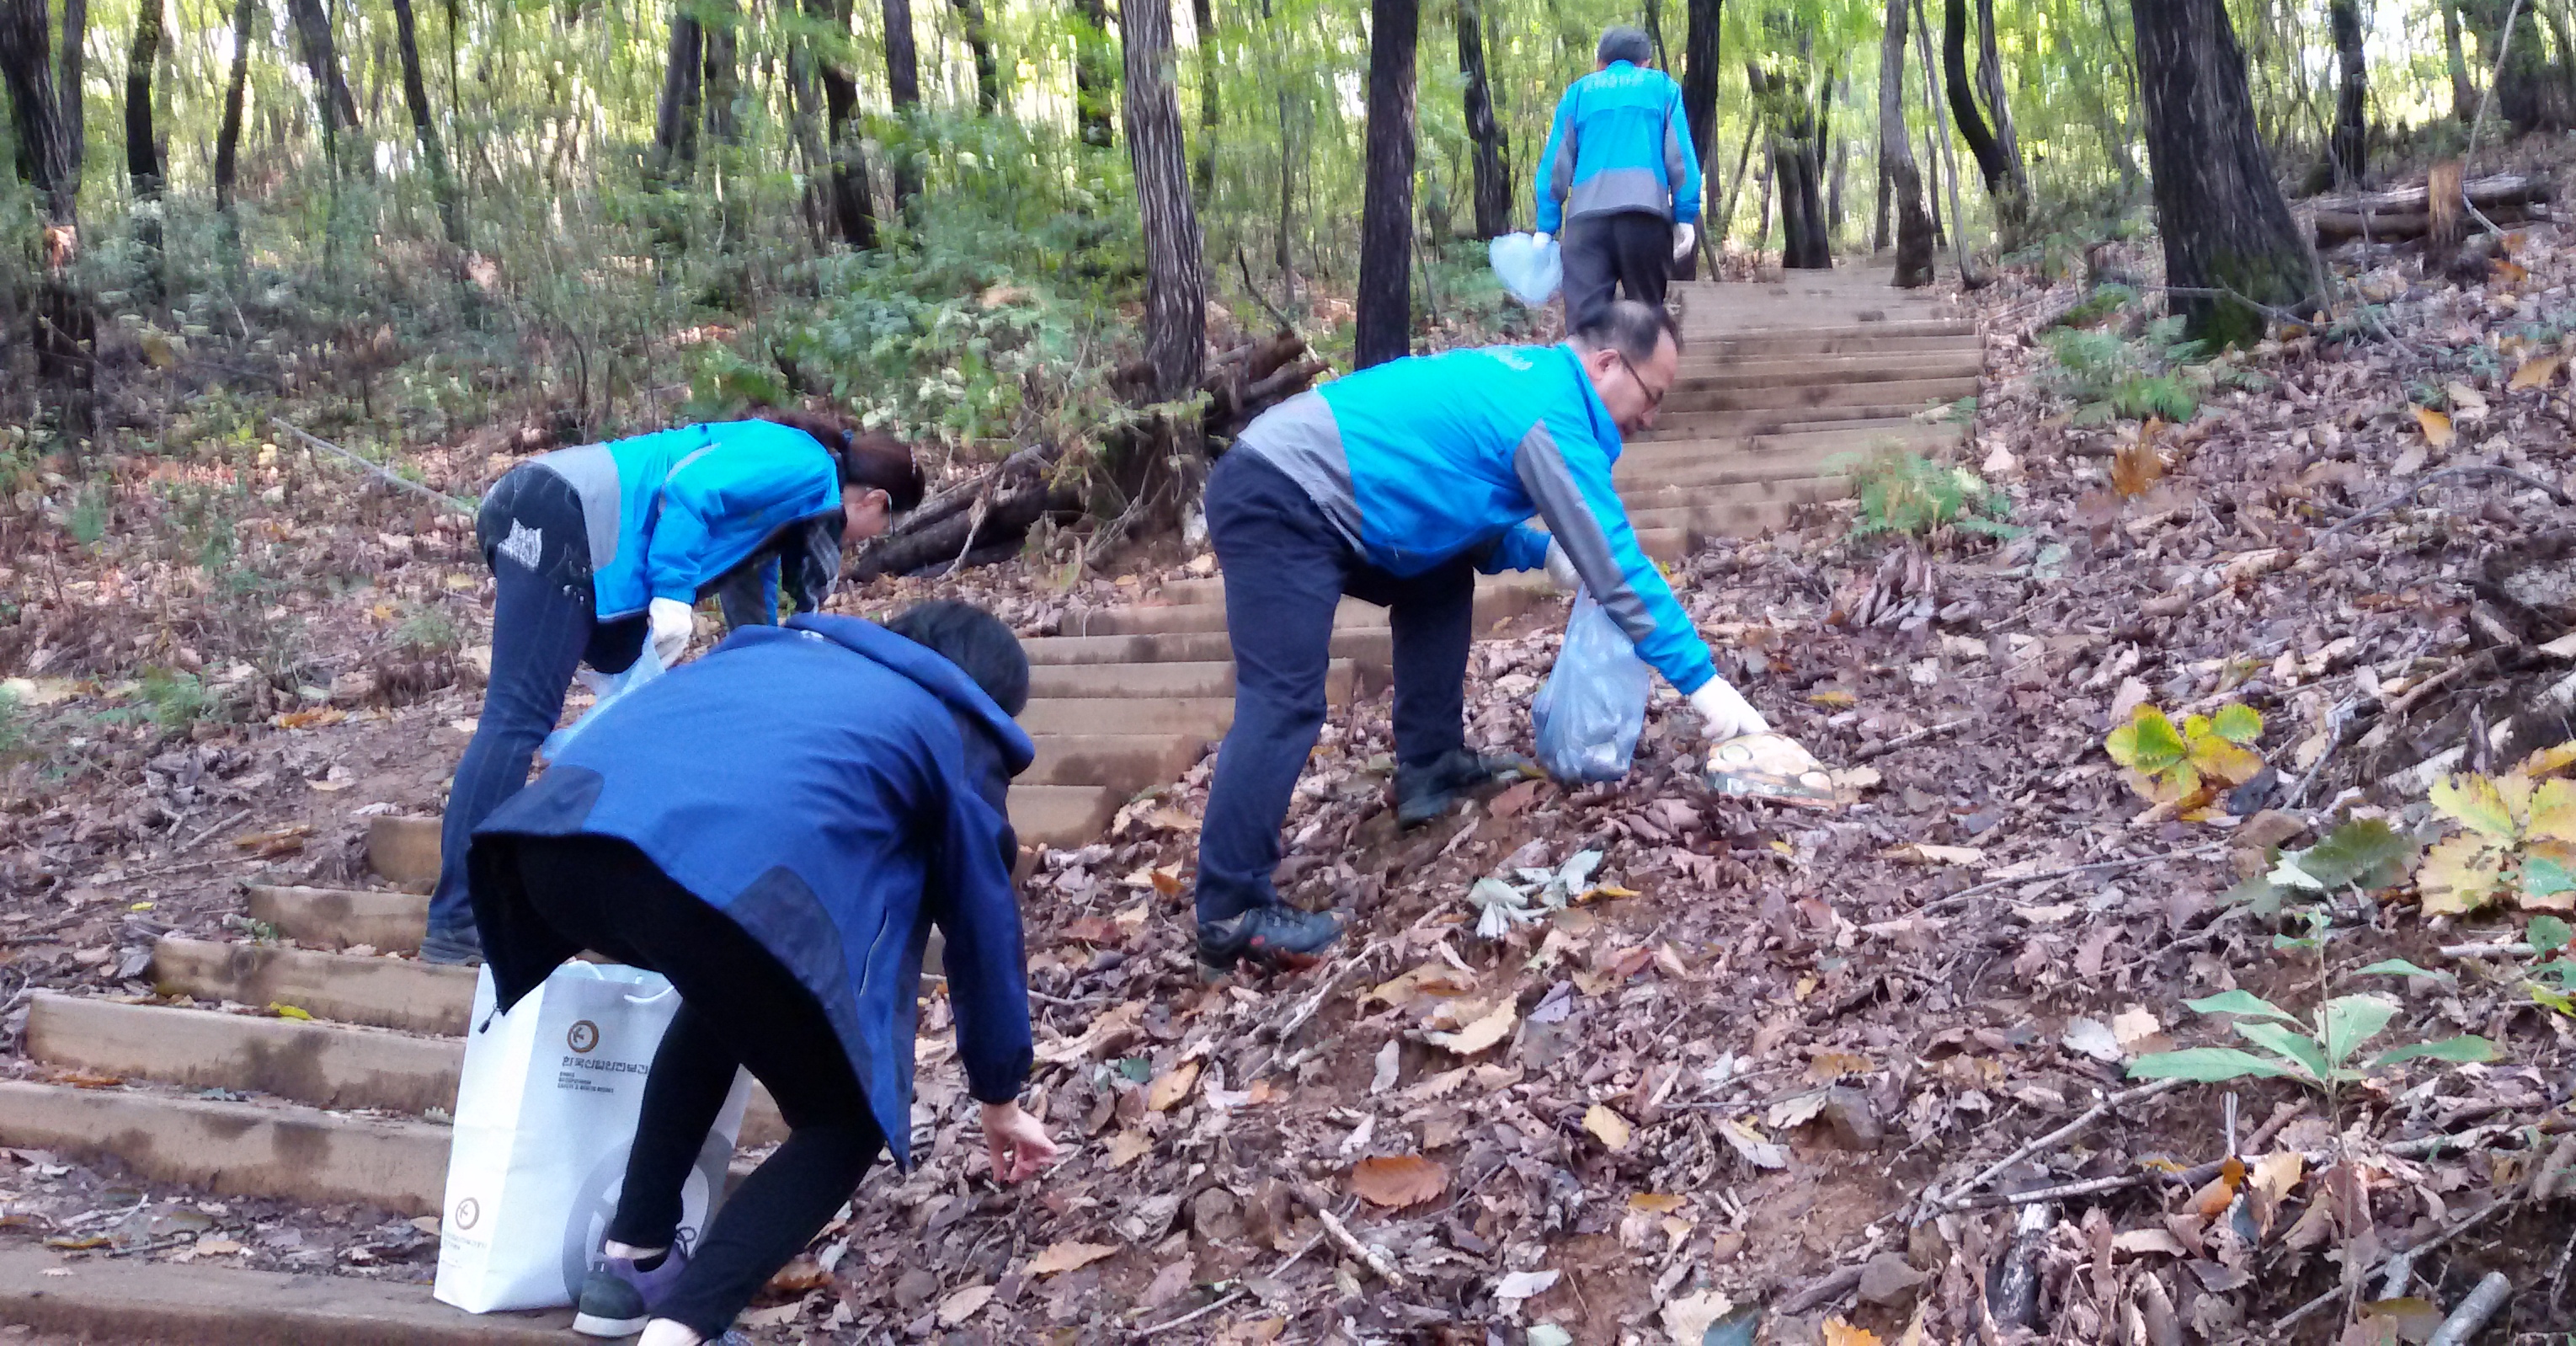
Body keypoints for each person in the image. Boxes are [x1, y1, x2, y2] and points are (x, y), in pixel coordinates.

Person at [466, 600, 1056, 1346]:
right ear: (989, 697)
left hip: (556, 842)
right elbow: (982, 924)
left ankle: (630, 1264)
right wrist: (1000, 1094)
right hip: (713, 879)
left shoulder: (771, 651)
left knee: (724, 997)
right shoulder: (951, 728)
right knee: (844, 1121)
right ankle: (683, 1328)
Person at [1195, 299, 1774, 976]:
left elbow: (1452, 501)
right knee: (1285, 699)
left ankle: (1430, 764)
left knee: (1438, 572)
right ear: (1608, 364)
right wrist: (1706, 687)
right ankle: (1231, 911)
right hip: (1283, 491)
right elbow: (1618, 569)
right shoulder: (1548, 412)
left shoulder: (1534, 385)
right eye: (1652, 396)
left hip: (1330, 490)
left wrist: (1538, 551)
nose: (1649, 417)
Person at [424, 412, 924, 965]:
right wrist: (672, 592)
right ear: (876, 502)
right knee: (517, 721)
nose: (873, 538)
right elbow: (690, 489)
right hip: (564, 511)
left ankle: (541, 900)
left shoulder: (799, 489)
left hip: (565, 513)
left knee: (588, 723)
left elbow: (746, 566)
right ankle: (457, 923)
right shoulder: (806, 464)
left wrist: (768, 656)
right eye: (888, 525)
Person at [1531, 25, 1704, 324]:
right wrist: (1685, 216)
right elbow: (1682, 159)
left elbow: (1554, 165)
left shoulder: (1579, 93)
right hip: (1645, 219)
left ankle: (1588, 369)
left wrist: (1546, 227)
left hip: (1586, 225)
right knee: (1645, 320)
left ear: (1600, 63)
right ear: (1646, 62)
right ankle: (1641, 368)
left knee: (1585, 326)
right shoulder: (1662, 88)